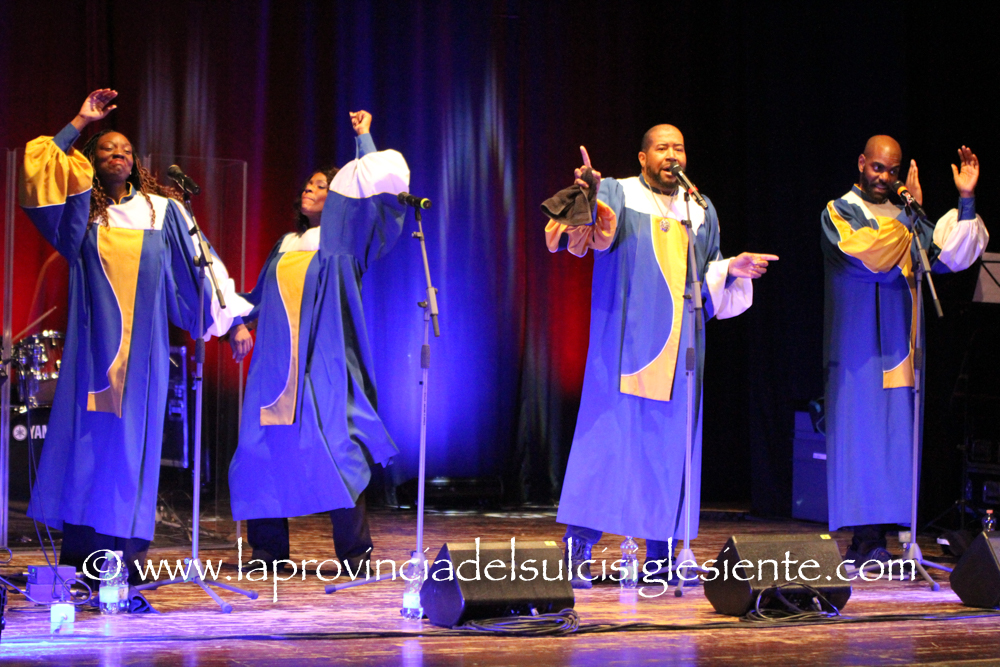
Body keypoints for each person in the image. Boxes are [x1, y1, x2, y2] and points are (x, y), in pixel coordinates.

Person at [20, 89, 250, 597]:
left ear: (136, 162)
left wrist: (234, 319)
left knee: (132, 454)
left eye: (125, 150)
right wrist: (81, 120)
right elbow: (40, 170)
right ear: (91, 161)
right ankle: (80, 563)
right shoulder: (80, 214)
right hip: (90, 357)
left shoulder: (163, 211)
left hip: (144, 360)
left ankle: (123, 562)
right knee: (87, 450)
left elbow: (204, 266)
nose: (117, 155)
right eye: (106, 150)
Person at [544, 125, 778, 588]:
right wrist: (587, 191)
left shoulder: (700, 208)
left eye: (679, 148)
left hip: (680, 350)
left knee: (669, 451)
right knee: (605, 445)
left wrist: (731, 268)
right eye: (662, 148)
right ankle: (577, 549)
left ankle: (662, 557)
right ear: (643, 157)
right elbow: (587, 237)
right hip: (622, 346)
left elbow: (704, 275)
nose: (672, 155)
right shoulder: (619, 193)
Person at [227, 111, 409, 574]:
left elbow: (373, 198)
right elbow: (257, 298)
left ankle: (355, 554)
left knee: (337, 451)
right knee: (260, 451)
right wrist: (234, 322)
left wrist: (364, 139)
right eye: (309, 184)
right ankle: (268, 552)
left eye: (322, 185)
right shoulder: (286, 243)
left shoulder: (344, 243)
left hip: (324, 366)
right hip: (274, 369)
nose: (310, 189)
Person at [822, 136, 987, 563]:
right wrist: (911, 216)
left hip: (901, 344)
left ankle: (887, 535)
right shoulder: (839, 210)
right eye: (877, 168)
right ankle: (864, 538)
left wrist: (965, 199)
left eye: (892, 171)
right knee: (862, 437)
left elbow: (948, 257)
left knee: (896, 438)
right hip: (858, 347)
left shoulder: (907, 216)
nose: (884, 177)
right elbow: (868, 253)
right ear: (861, 163)